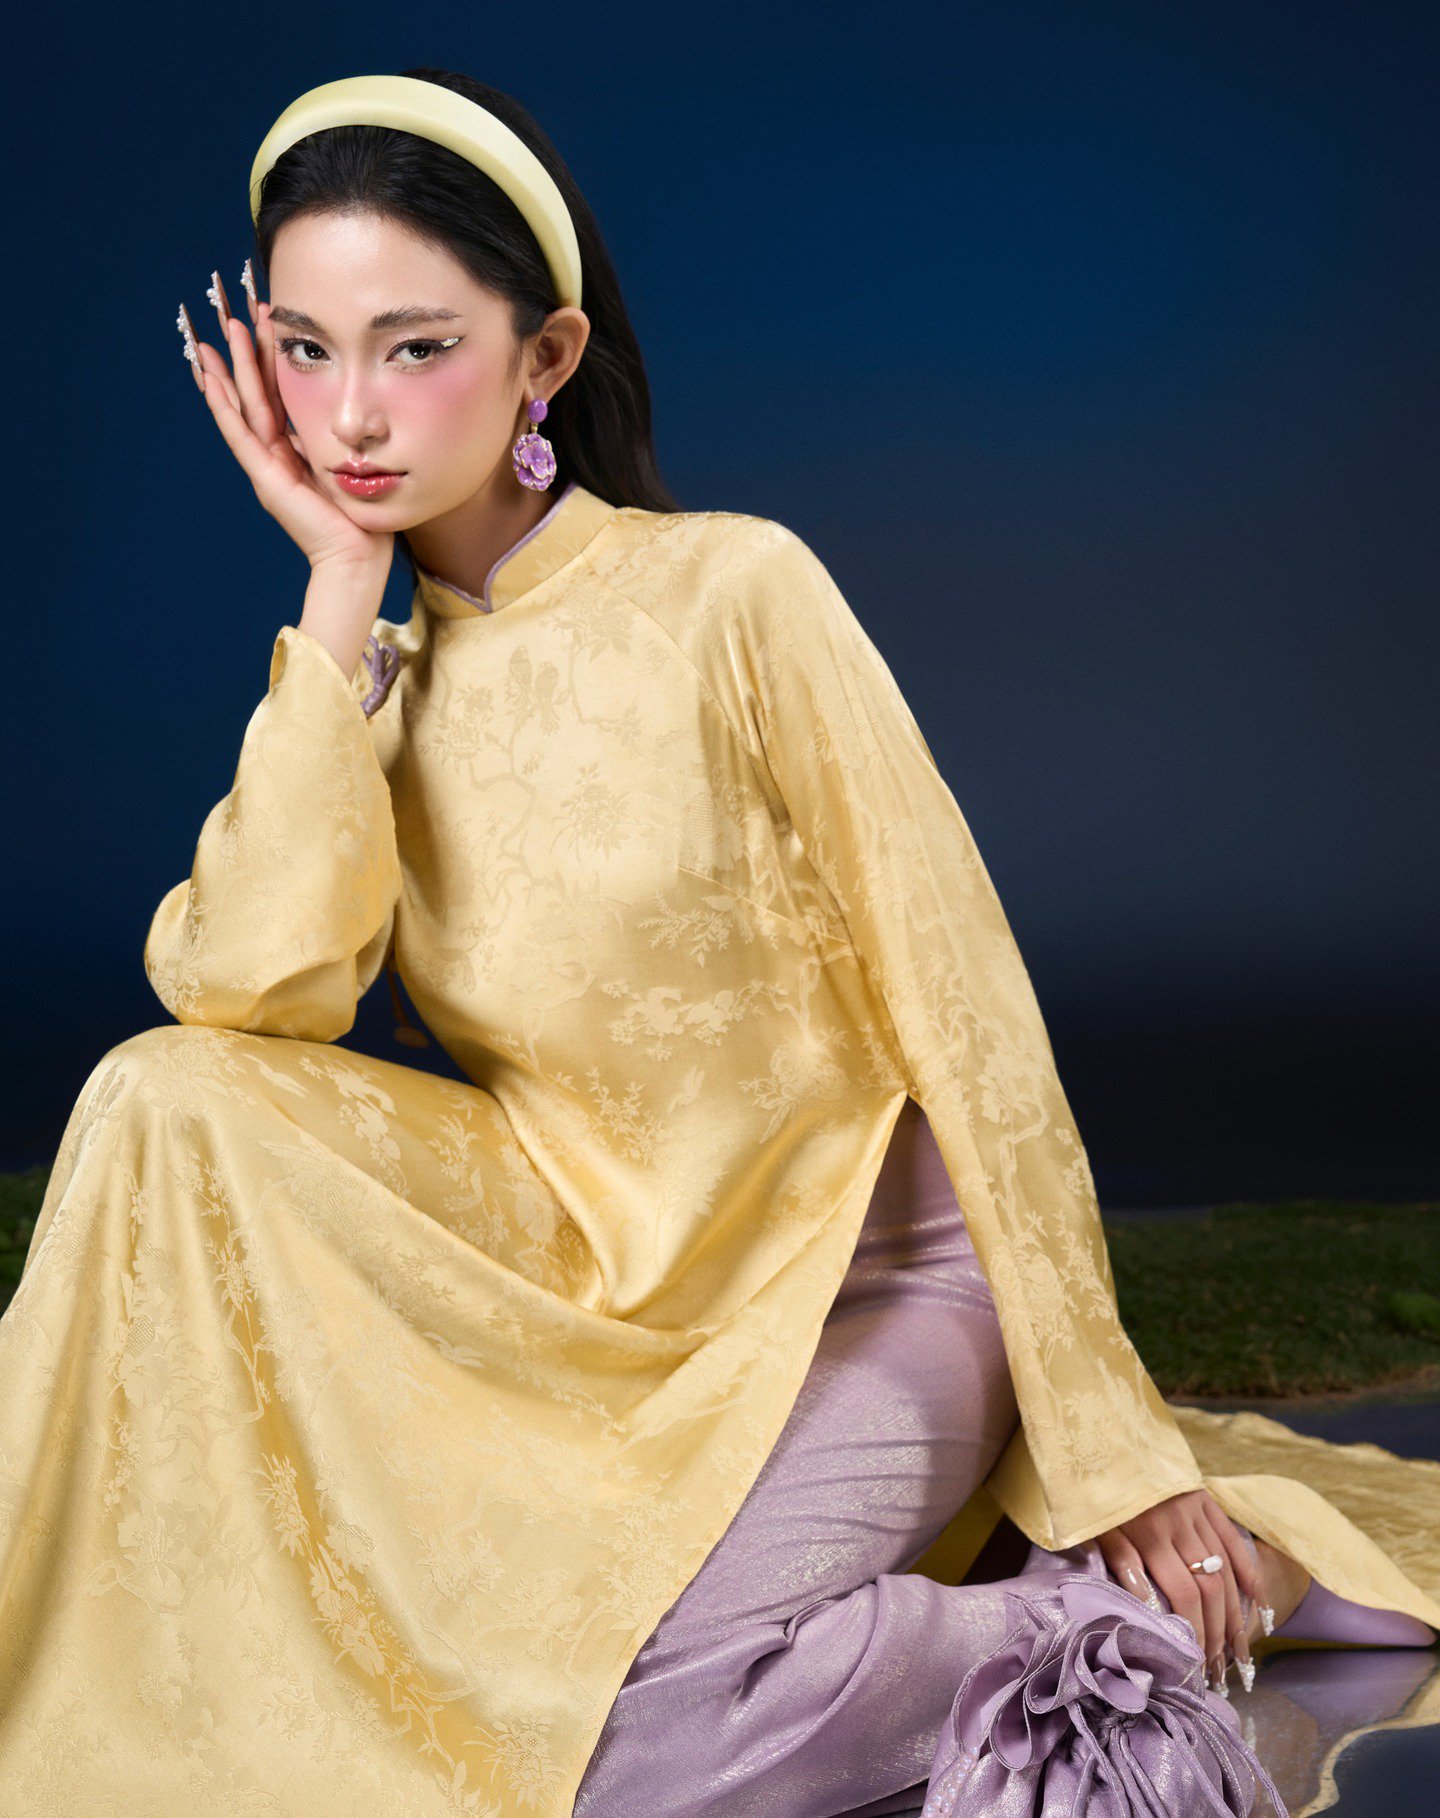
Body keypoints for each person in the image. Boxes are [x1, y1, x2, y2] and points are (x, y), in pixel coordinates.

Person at [1, 66, 1434, 1818]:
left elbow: (970, 1008)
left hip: (877, 1284)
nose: (351, 412)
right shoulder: (363, 678)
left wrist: (1110, 1436)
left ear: (545, 357)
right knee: (165, 1094)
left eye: (415, 346)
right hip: (600, 1310)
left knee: (630, 1739)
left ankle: (1135, 1613)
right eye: (305, 351)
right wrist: (337, 591)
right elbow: (246, 993)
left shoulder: (732, 593)